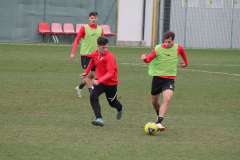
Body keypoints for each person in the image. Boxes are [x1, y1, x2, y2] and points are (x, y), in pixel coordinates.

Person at [141, 31, 188, 131]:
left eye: (169, 42)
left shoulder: (178, 48)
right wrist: (144, 58)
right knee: (154, 102)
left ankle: (158, 122)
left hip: (169, 79)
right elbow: (148, 59)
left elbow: (183, 54)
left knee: (167, 98)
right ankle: (159, 116)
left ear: (173, 41)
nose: (167, 44)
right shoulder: (158, 49)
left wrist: (185, 63)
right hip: (157, 78)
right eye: (165, 42)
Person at [81, 36, 123, 126]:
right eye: (103, 47)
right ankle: (99, 118)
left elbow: (110, 73)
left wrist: (99, 81)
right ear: (98, 46)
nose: (105, 49)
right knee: (93, 96)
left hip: (111, 84)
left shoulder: (110, 57)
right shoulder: (95, 54)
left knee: (112, 103)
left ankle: (120, 109)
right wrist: (86, 72)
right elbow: (92, 62)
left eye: (106, 47)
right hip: (100, 82)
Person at [69, 11, 103, 98]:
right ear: (89, 19)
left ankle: (79, 88)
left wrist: (103, 53)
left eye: (95, 18)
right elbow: (76, 40)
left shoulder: (100, 29)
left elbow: (102, 43)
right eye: (91, 18)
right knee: (89, 76)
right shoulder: (84, 28)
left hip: (96, 56)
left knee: (92, 75)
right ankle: (92, 93)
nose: (93, 20)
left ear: (97, 19)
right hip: (86, 56)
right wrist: (73, 52)